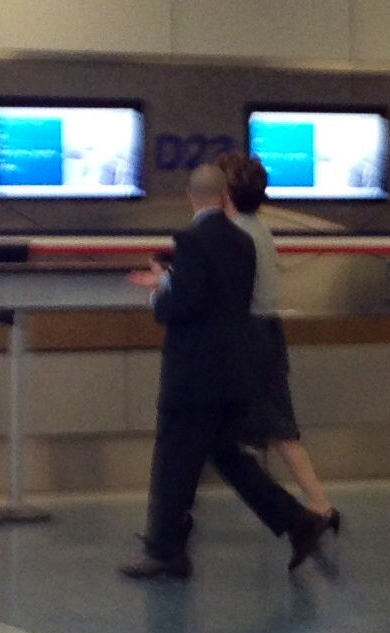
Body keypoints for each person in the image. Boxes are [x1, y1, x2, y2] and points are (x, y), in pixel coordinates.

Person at [118, 165, 331, 580]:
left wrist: (161, 291)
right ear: (224, 196)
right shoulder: (242, 242)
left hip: (194, 372)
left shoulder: (192, 241)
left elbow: (186, 306)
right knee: (228, 456)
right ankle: (298, 521)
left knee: (173, 458)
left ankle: (166, 551)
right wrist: (174, 281)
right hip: (234, 370)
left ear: (190, 196)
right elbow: (221, 298)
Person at [215, 153, 340, 530]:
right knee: (274, 429)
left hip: (251, 341)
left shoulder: (238, 235)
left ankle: (317, 507)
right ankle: (318, 506)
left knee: (273, 430)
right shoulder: (257, 229)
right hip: (264, 337)